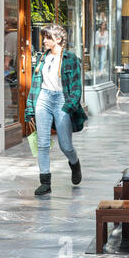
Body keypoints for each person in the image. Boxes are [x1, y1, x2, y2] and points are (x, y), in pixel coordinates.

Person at [24, 24, 88, 196]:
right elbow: (35, 85)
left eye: (47, 37)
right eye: (44, 37)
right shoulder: (42, 57)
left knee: (65, 145)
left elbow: (76, 88)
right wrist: (30, 107)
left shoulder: (71, 58)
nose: (44, 40)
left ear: (58, 39)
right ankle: (45, 182)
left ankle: (74, 163)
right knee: (42, 143)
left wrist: (68, 107)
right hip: (43, 98)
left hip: (62, 100)